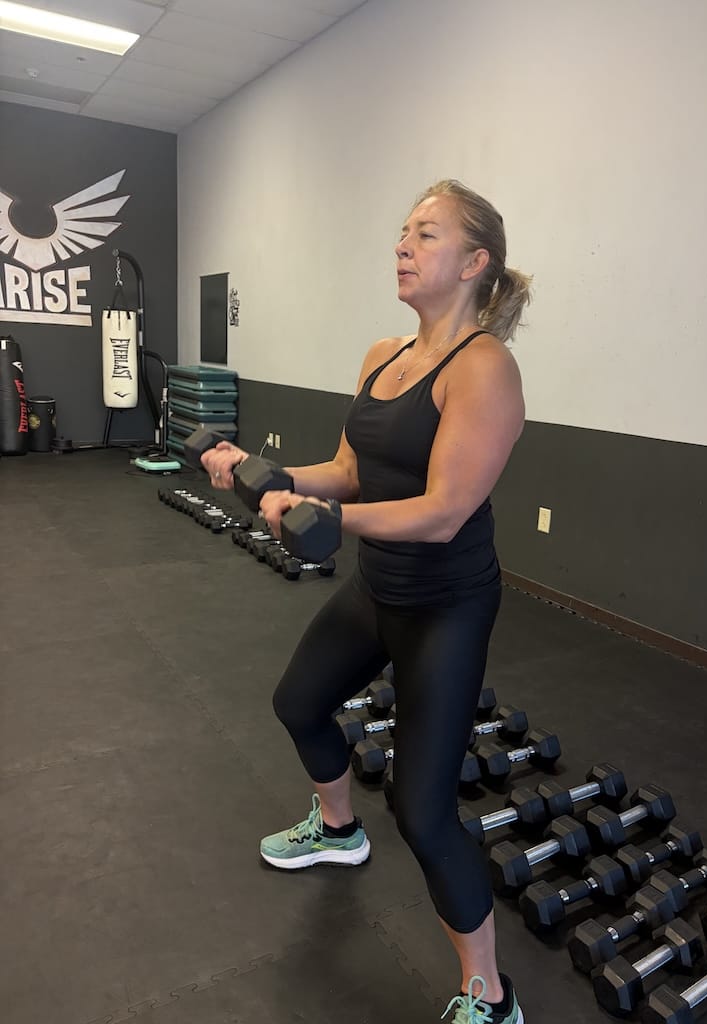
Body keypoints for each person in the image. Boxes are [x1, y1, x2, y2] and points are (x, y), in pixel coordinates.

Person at [201, 179, 531, 1024]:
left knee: (423, 811)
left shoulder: (484, 367)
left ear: (475, 262)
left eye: (426, 233)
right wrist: (261, 472)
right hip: (378, 585)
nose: (403, 245)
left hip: (447, 606)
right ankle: (339, 830)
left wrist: (328, 520)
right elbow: (347, 472)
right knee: (298, 702)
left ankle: (490, 995)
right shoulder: (384, 354)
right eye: (402, 231)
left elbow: (444, 510)